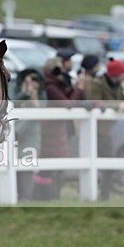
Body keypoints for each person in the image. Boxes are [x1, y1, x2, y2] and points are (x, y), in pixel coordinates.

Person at [40, 53, 84, 200]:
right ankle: (49, 195)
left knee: (57, 167)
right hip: (51, 130)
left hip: (57, 129)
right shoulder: (50, 86)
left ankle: (53, 194)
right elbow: (68, 103)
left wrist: (74, 88)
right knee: (50, 167)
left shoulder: (56, 84)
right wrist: (78, 89)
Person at [88, 59, 124, 200]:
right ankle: (97, 192)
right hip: (95, 130)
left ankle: (105, 193)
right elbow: (95, 102)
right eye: (122, 73)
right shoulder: (98, 85)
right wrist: (117, 106)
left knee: (109, 163)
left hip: (107, 131)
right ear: (115, 74)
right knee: (99, 163)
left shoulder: (118, 86)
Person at [12, 69, 45, 200]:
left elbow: (40, 111)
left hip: (31, 137)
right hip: (14, 136)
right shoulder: (16, 91)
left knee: (28, 168)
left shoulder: (41, 95)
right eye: (28, 80)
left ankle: (27, 198)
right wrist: (24, 94)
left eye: (35, 80)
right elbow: (11, 104)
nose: (31, 83)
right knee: (13, 169)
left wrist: (33, 98)